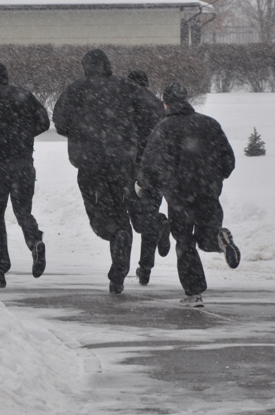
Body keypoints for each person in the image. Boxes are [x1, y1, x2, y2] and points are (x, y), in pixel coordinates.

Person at [53, 50, 160, 294]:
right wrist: (134, 129)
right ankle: (118, 272)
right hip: (122, 162)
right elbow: (154, 109)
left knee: (100, 215)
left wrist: (79, 131)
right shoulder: (125, 87)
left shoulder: (76, 89)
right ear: (108, 65)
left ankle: (115, 237)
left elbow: (59, 121)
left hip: (89, 163)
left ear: (86, 67)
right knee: (122, 210)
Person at [136, 82, 241, 308]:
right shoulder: (210, 124)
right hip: (208, 192)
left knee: (185, 241)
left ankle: (194, 293)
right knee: (206, 237)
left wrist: (147, 186)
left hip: (179, 196)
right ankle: (220, 241)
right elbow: (228, 161)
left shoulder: (164, 128)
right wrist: (214, 179)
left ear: (165, 102)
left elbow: (150, 164)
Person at [0, 61, 50, 289]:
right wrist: (24, 135)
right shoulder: (24, 95)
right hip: (24, 163)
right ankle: (34, 241)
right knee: (23, 211)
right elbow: (44, 121)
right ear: (6, 76)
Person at [126, 70, 171, 287]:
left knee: (140, 221)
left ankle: (159, 224)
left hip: (135, 169)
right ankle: (145, 268)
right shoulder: (158, 105)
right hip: (158, 170)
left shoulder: (124, 104)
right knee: (150, 214)